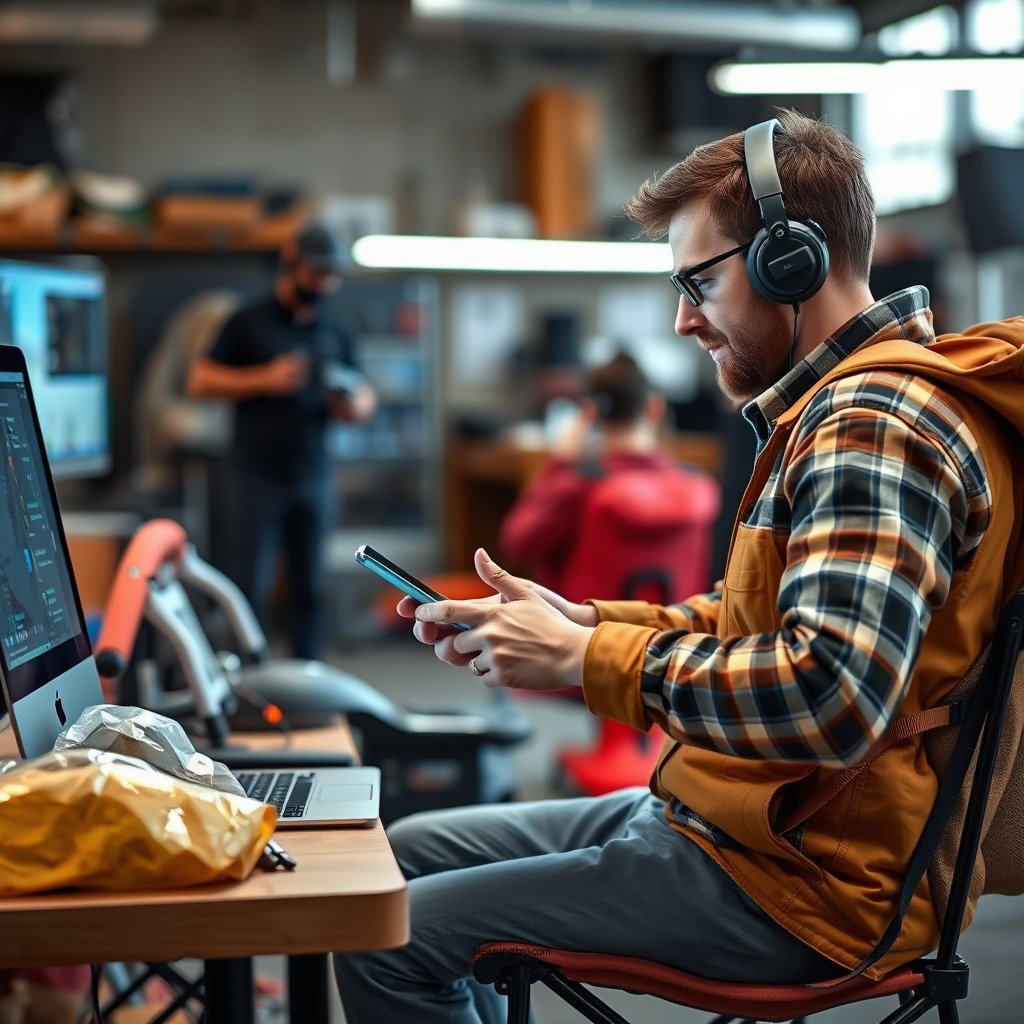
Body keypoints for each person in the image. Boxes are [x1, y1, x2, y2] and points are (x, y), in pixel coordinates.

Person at [332, 111, 1024, 1023]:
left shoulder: (871, 427)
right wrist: (584, 624)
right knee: (403, 853)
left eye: (699, 280)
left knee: (395, 932)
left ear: (793, 261)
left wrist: (587, 666)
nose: (682, 317)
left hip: (802, 882)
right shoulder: (843, 409)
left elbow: (830, 694)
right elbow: (759, 627)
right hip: (735, 819)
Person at [187, 223, 376, 660]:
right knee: (249, 584)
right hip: (254, 474)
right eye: (317, 273)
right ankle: (248, 678)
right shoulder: (246, 320)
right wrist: (264, 378)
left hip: (312, 473)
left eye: (332, 275)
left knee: (310, 585)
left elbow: (365, 395)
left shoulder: (336, 329)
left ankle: (308, 677)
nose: (325, 283)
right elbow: (200, 379)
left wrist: (353, 406)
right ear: (292, 263)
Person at [499, 350, 719, 594]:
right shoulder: (695, 483)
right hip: (673, 631)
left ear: (591, 412)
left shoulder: (581, 484)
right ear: (655, 408)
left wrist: (560, 462)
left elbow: (516, 544)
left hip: (587, 631)